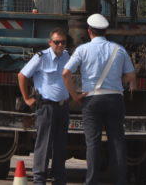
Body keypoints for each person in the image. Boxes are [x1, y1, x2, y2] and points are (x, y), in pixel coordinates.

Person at [62, 14, 136, 185]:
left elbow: (65, 73)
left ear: (89, 31)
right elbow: (131, 76)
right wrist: (118, 82)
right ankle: (120, 180)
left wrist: (75, 96)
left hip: (92, 99)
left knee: (93, 142)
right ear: (106, 31)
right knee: (117, 141)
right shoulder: (119, 49)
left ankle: (92, 181)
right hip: (115, 98)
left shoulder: (82, 50)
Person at [19, 28, 71, 185]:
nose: (60, 45)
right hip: (46, 107)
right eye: (56, 42)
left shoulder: (67, 56)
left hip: (63, 107)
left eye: (63, 42)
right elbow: (22, 75)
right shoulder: (41, 57)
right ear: (50, 42)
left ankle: (59, 177)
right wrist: (27, 98)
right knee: (44, 144)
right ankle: (39, 179)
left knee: (61, 144)